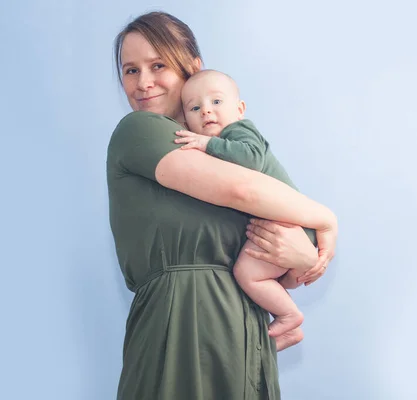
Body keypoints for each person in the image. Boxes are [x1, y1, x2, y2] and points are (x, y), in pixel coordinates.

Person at [107, 11, 337, 400]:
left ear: (193, 67)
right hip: (178, 328)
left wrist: (300, 254)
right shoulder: (140, 131)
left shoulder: (224, 146)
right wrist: (327, 219)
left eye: (157, 65)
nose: (142, 83)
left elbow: (276, 254)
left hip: (241, 332)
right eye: (130, 70)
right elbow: (244, 192)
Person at [172, 69, 315, 350]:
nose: (206, 112)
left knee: (247, 274)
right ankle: (286, 322)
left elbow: (250, 159)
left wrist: (207, 143)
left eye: (216, 102)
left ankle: (288, 316)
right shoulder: (225, 140)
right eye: (195, 107)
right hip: (283, 225)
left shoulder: (239, 131)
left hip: (288, 226)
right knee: (254, 276)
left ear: (239, 109)